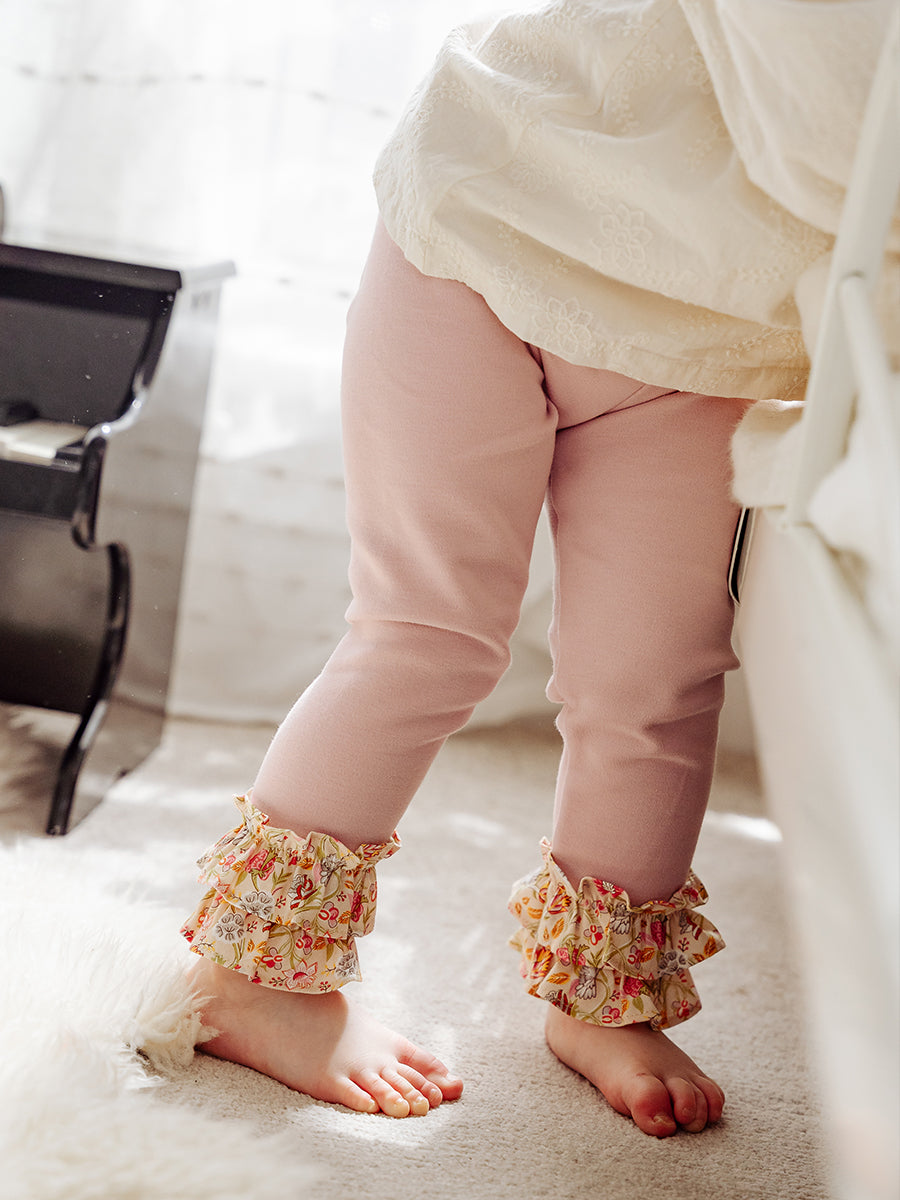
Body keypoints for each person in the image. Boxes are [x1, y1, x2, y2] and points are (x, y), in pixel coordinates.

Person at [181, 0, 890, 1137]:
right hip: (490, 231)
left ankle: (603, 1000)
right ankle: (256, 976)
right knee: (426, 636)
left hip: (703, 337)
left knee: (651, 681)